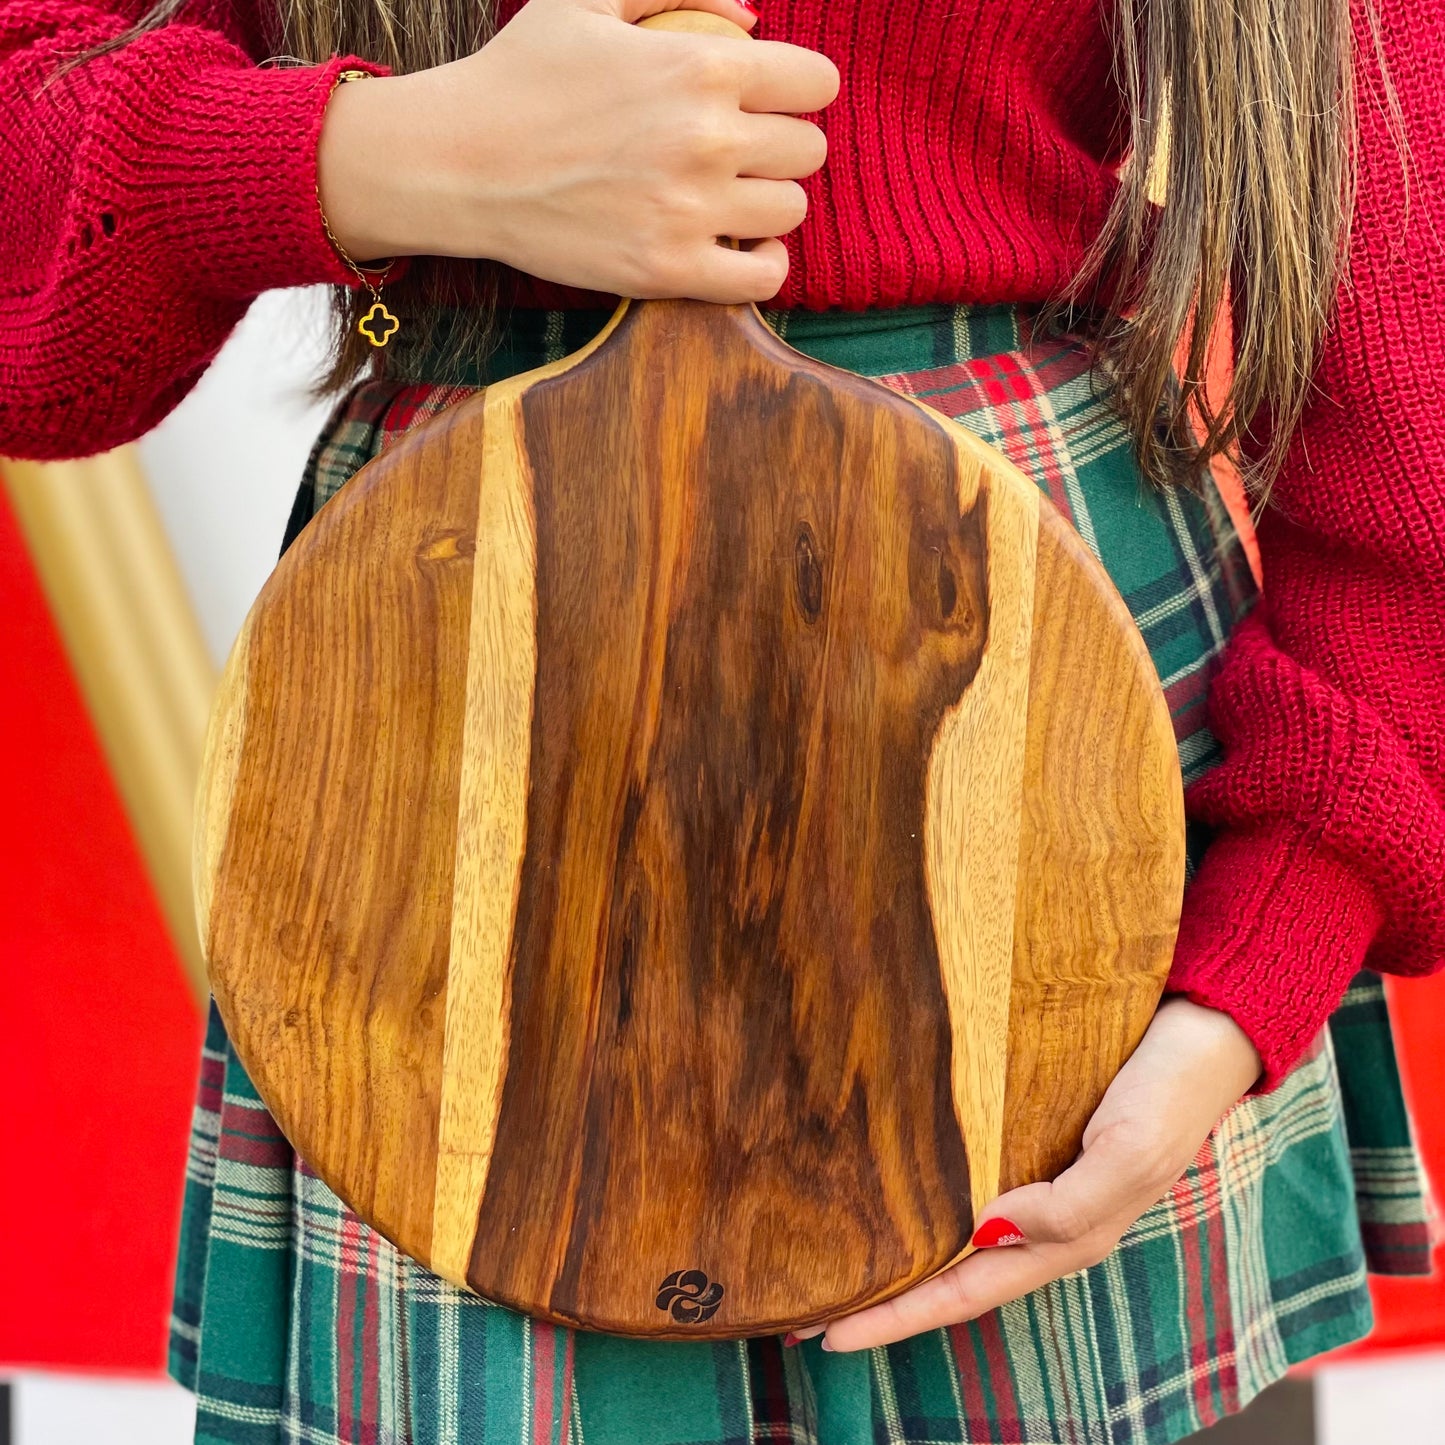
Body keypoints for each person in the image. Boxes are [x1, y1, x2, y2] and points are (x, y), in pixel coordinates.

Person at [3, 0, 1442, 1440]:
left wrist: (1267, 941)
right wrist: (378, 158)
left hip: (1047, 766)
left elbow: (1408, 296)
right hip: (465, 740)